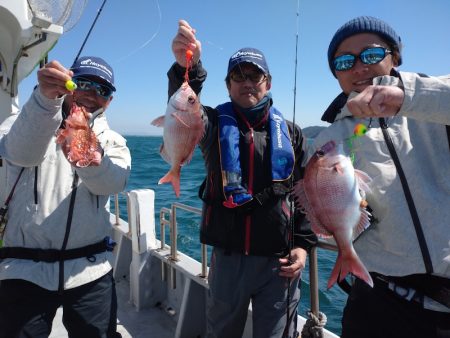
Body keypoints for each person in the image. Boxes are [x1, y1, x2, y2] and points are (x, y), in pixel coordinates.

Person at [169, 20, 317, 338]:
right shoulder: (208, 123)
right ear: (227, 85)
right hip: (228, 261)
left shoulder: (292, 133)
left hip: (279, 263)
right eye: (238, 76)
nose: (247, 82)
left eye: (255, 76)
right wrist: (187, 67)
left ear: (268, 82)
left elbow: (306, 194)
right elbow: (182, 107)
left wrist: (303, 246)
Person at [313, 16, 450, 338]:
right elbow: (328, 218)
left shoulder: (432, 112)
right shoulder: (329, 141)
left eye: (372, 55)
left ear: (395, 57)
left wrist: (406, 97)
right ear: (336, 74)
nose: (359, 67)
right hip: (378, 300)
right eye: (345, 61)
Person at [0, 56, 131, 337]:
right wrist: (45, 102)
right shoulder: (25, 120)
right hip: (24, 270)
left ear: (109, 100)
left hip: (90, 270)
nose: (92, 95)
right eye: (83, 83)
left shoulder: (112, 140)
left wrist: (95, 162)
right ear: (68, 84)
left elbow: (114, 182)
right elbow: (20, 153)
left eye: (103, 91)